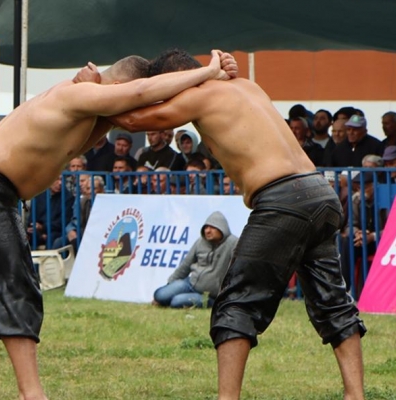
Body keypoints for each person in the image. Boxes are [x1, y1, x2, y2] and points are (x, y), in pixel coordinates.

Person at [0, 51, 236, 400]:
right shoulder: (78, 94)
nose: (129, 113)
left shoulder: (85, 112)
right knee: (16, 284)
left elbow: (126, 113)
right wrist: (208, 70)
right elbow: (139, 94)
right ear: (115, 86)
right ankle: (32, 394)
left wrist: (208, 81)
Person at [107, 49, 365, 400]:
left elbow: (135, 121)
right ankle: (355, 394)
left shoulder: (198, 96)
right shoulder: (248, 87)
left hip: (282, 198)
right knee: (332, 300)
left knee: (235, 303)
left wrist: (94, 90)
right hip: (320, 193)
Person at [153, 211, 238, 308]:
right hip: (190, 283)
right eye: (206, 227)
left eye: (212, 227)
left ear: (222, 228)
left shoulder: (233, 244)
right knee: (159, 295)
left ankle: (208, 303)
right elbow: (185, 266)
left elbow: (240, 271)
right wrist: (170, 284)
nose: (207, 231)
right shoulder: (200, 242)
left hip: (209, 295)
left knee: (176, 302)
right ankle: (168, 299)